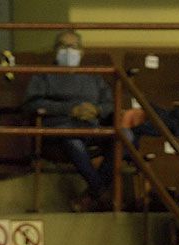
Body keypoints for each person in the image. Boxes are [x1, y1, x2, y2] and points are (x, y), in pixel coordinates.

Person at [24, 29, 115, 212]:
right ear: (55, 50)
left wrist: (97, 110)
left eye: (73, 47)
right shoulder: (43, 75)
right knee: (73, 140)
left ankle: (91, 194)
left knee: (126, 137)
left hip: (91, 127)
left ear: (81, 52)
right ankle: (101, 192)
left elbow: (111, 103)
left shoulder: (94, 76)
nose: (68, 51)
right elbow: (32, 104)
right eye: (63, 46)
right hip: (61, 129)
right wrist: (70, 110)